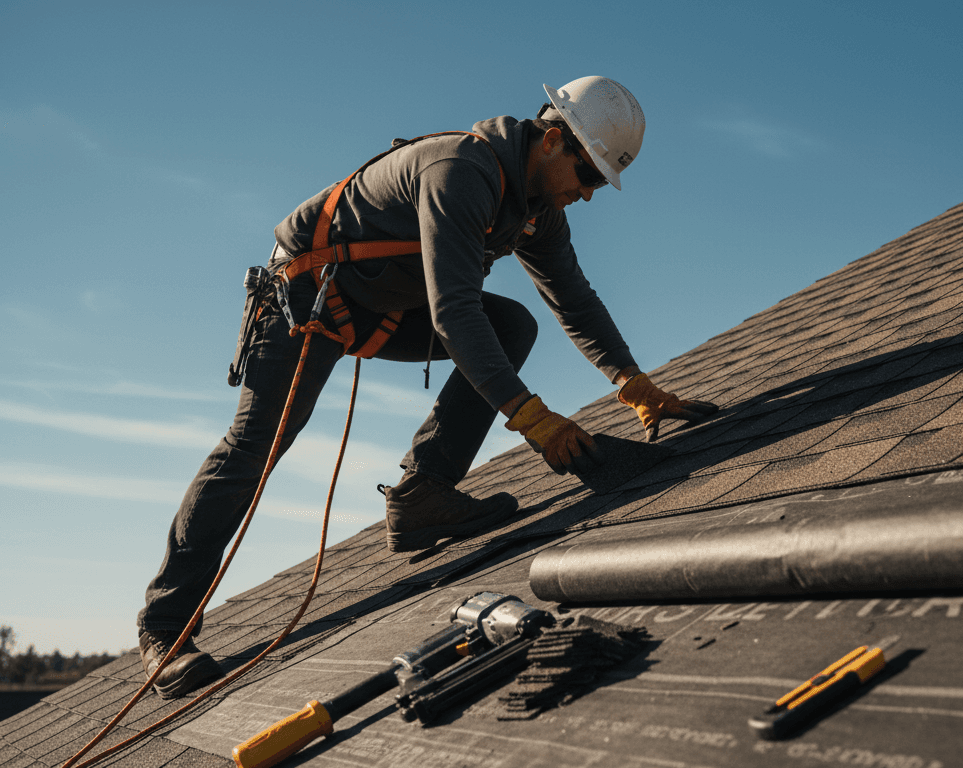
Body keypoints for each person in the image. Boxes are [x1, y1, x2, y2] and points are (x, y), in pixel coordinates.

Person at [137, 76, 718, 699]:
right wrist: (533, 418)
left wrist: (633, 383)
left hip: (382, 306)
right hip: (305, 299)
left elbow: (572, 296)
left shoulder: (537, 210)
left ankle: (423, 496)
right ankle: (166, 627)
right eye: (591, 175)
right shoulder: (460, 170)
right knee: (255, 445)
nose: (590, 193)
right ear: (552, 141)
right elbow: (455, 314)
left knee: (512, 324)